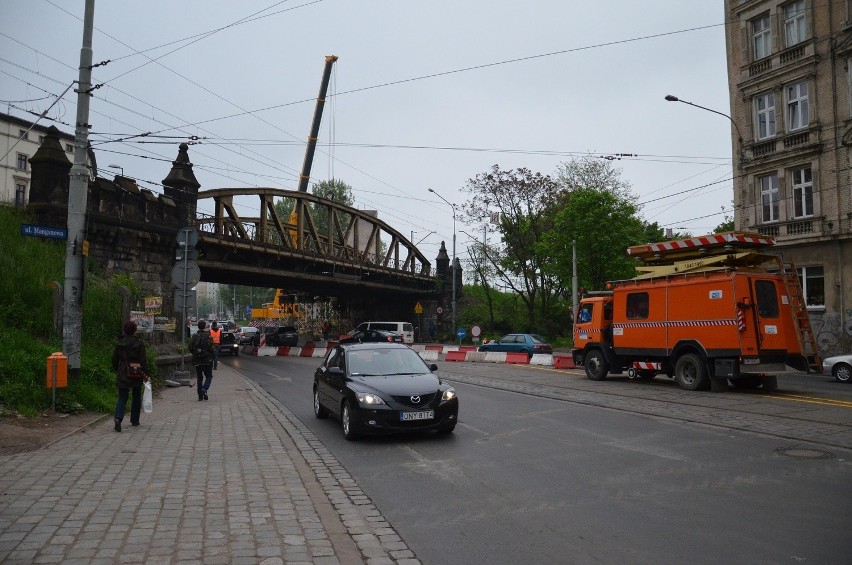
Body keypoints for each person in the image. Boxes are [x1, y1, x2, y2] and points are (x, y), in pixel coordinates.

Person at [111, 320, 149, 432]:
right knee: (136, 395)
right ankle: (135, 420)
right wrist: (147, 373)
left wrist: (117, 369)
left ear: (124, 330)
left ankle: (118, 418)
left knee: (122, 396)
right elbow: (143, 360)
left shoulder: (119, 343)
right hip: (135, 371)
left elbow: (114, 359)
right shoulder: (139, 343)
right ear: (134, 330)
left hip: (123, 371)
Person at [190, 320, 215, 401]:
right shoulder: (208, 336)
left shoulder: (194, 336)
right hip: (207, 360)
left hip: (197, 360)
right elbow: (212, 348)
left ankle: (200, 396)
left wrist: (195, 353)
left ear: (198, 326)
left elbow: (190, 347)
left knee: (199, 378)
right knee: (209, 376)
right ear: (204, 326)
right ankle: (204, 389)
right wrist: (212, 355)